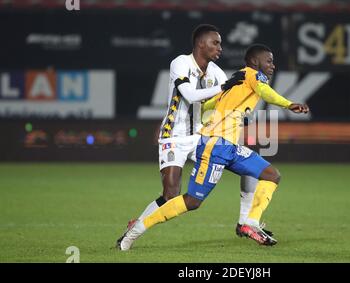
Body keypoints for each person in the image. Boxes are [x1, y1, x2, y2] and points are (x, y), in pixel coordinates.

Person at [118, 43, 309, 247]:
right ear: (255, 62)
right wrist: (288, 104)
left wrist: (234, 111)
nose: (273, 65)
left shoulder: (236, 82)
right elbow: (265, 91)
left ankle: (249, 222)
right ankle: (135, 231)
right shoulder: (253, 75)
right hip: (215, 146)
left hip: (229, 147)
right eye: (269, 61)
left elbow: (210, 104)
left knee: (271, 175)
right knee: (192, 201)